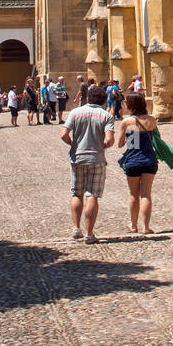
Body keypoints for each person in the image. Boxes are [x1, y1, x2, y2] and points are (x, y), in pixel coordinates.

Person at [60, 83, 115, 243]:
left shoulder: (76, 112)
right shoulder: (106, 116)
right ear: (104, 101)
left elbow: (63, 134)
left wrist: (73, 145)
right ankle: (89, 234)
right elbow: (110, 140)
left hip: (77, 157)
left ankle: (76, 228)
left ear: (88, 98)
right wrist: (102, 146)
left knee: (77, 193)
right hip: (96, 159)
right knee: (92, 195)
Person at [117, 91, 158, 236]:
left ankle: (134, 226)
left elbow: (121, 144)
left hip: (133, 160)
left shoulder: (128, 122)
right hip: (149, 160)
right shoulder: (151, 120)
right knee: (146, 194)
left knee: (134, 194)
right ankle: (146, 227)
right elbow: (154, 140)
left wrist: (131, 136)